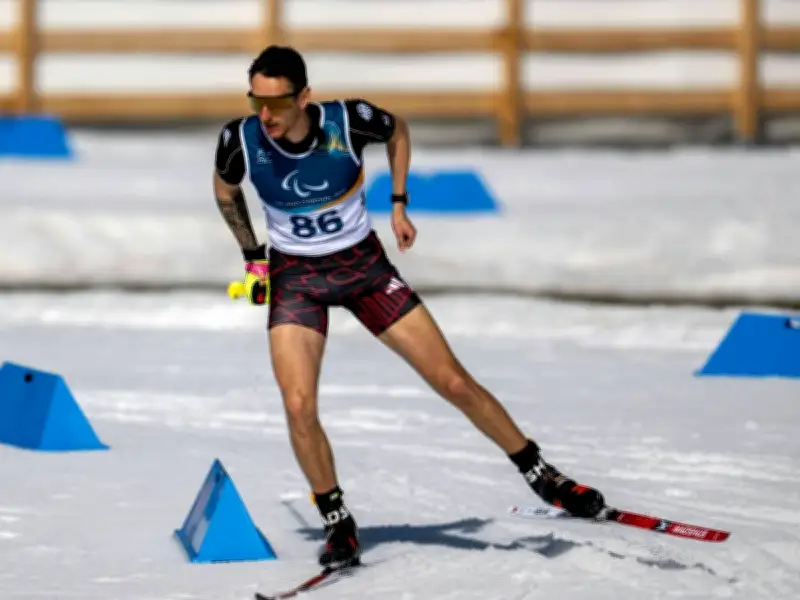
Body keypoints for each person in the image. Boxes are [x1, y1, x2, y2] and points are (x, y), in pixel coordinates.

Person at [213, 45, 606, 569]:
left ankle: (542, 475)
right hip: (298, 281)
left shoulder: (348, 120)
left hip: (365, 272)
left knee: (454, 383)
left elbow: (398, 132)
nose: (266, 116)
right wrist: (252, 257)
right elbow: (225, 190)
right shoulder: (239, 138)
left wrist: (398, 203)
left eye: (278, 104)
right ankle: (337, 521)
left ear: (304, 97)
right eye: (256, 101)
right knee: (298, 406)